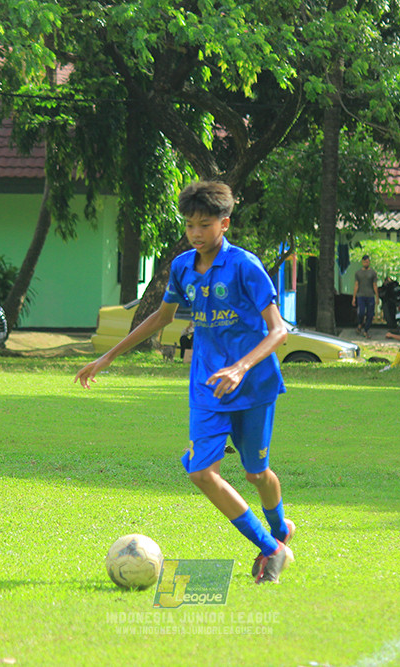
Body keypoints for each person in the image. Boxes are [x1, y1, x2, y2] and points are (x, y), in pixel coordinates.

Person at [74, 181, 294, 584]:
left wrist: (240, 368)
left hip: (253, 384)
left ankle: (280, 529)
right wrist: (108, 356)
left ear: (224, 224)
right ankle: (271, 548)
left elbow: (279, 330)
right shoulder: (182, 267)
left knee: (256, 474)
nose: (196, 233)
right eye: (190, 224)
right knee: (200, 472)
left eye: (205, 224)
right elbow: (161, 317)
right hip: (207, 386)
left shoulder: (245, 266)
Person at [351, 255, 378, 337]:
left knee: (370, 314)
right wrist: (354, 297)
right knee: (361, 312)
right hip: (361, 295)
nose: (367, 263)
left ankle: (366, 330)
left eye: (368, 262)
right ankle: (360, 324)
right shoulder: (358, 273)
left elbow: (375, 285)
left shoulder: (373, 273)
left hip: (370, 295)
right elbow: (356, 285)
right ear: (362, 262)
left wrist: (377, 297)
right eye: (365, 262)